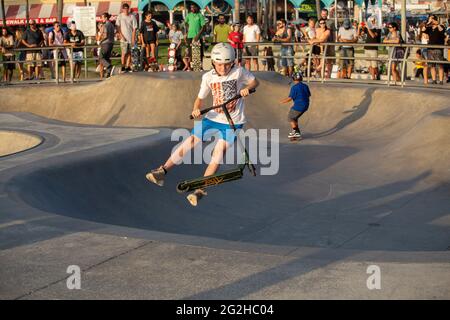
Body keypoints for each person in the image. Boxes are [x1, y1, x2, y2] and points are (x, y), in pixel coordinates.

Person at [145, 43, 259, 206]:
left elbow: (255, 82)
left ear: (232, 63)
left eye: (227, 64)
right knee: (190, 141)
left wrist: (248, 88)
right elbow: (199, 99)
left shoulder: (239, 72)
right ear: (213, 62)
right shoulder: (208, 78)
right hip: (213, 118)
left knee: (218, 152)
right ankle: (162, 171)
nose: (223, 68)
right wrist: (196, 109)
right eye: (220, 64)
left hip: (233, 121)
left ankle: (201, 189)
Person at [279, 71, 310, 140]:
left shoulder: (294, 87)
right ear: (301, 78)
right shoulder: (305, 86)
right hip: (306, 105)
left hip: (299, 106)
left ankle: (296, 132)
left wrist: (282, 101)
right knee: (294, 118)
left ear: (293, 79)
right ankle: (296, 132)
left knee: (290, 117)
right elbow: (308, 95)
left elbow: (290, 98)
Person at [422, 15, 446, 85]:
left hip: (438, 48)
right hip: (430, 48)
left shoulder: (441, 26)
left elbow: (442, 31)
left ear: (435, 20)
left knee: (440, 65)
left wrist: (437, 24)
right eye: (429, 19)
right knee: (432, 65)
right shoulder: (429, 28)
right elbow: (423, 30)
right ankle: (434, 79)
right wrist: (427, 23)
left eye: (432, 19)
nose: (431, 20)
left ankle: (441, 80)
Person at [116, 3, 138, 72]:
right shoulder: (120, 16)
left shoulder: (132, 16)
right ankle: (123, 65)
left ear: (128, 9)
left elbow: (134, 28)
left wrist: (133, 39)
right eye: (124, 8)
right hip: (123, 39)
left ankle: (127, 66)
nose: (126, 10)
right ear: (122, 9)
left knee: (129, 53)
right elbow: (118, 27)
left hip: (130, 37)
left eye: (127, 8)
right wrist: (121, 36)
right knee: (124, 52)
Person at [185, 4, 206, 69]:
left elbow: (203, 27)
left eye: (194, 7)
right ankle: (191, 66)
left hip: (198, 37)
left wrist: (198, 35)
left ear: (197, 7)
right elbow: (186, 23)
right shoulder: (189, 15)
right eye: (191, 7)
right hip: (190, 36)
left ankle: (200, 66)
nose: (192, 8)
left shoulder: (200, 15)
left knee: (199, 52)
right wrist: (188, 29)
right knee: (190, 52)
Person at [315, 9, 335, 78]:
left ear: (327, 14)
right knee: (321, 60)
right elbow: (317, 33)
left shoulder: (331, 22)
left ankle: (328, 76)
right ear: (321, 14)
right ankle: (321, 76)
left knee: (330, 60)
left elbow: (334, 33)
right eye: (323, 14)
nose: (324, 15)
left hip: (330, 44)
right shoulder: (318, 22)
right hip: (321, 45)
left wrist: (334, 43)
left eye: (325, 14)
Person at [360, 15, 381, 80]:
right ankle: (373, 77)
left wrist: (368, 28)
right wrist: (360, 27)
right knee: (369, 65)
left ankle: (377, 74)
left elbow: (373, 36)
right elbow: (361, 34)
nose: (371, 22)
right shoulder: (369, 27)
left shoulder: (378, 28)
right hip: (367, 47)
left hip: (373, 48)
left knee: (374, 65)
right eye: (370, 21)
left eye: (372, 21)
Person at [98, 12, 115, 79]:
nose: (101, 19)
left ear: (105, 18)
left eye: (102, 17)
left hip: (105, 43)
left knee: (101, 57)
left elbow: (105, 36)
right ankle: (108, 73)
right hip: (111, 43)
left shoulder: (105, 25)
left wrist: (100, 40)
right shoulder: (111, 25)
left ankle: (109, 66)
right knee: (107, 58)